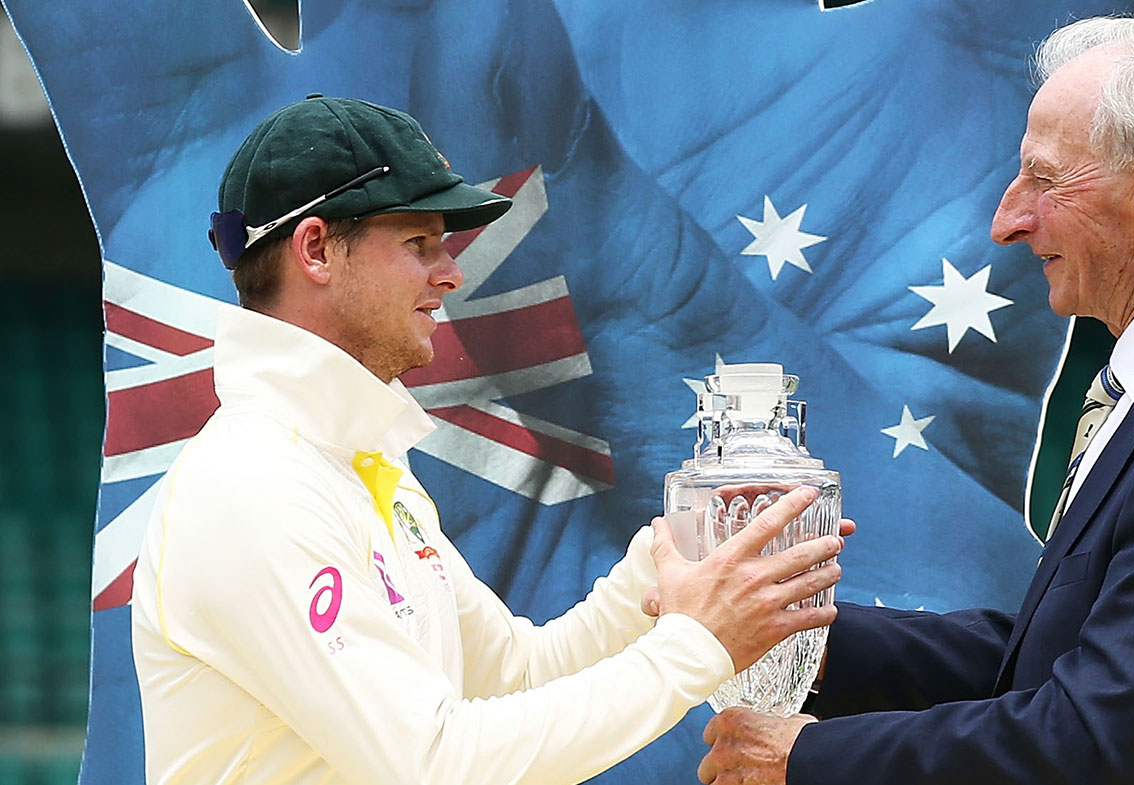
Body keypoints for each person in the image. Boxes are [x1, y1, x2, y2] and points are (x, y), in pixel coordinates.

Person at [699, 12, 1134, 785]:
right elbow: (1054, 655)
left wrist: (802, 756)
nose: (1007, 221)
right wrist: (802, 639)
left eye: (1045, 177)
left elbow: (1081, 744)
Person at [129, 95, 846, 785]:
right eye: (418, 243)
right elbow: (438, 764)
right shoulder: (254, 486)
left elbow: (518, 674)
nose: (451, 272)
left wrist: (671, 562)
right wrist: (697, 643)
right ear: (316, 249)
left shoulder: (353, 463)